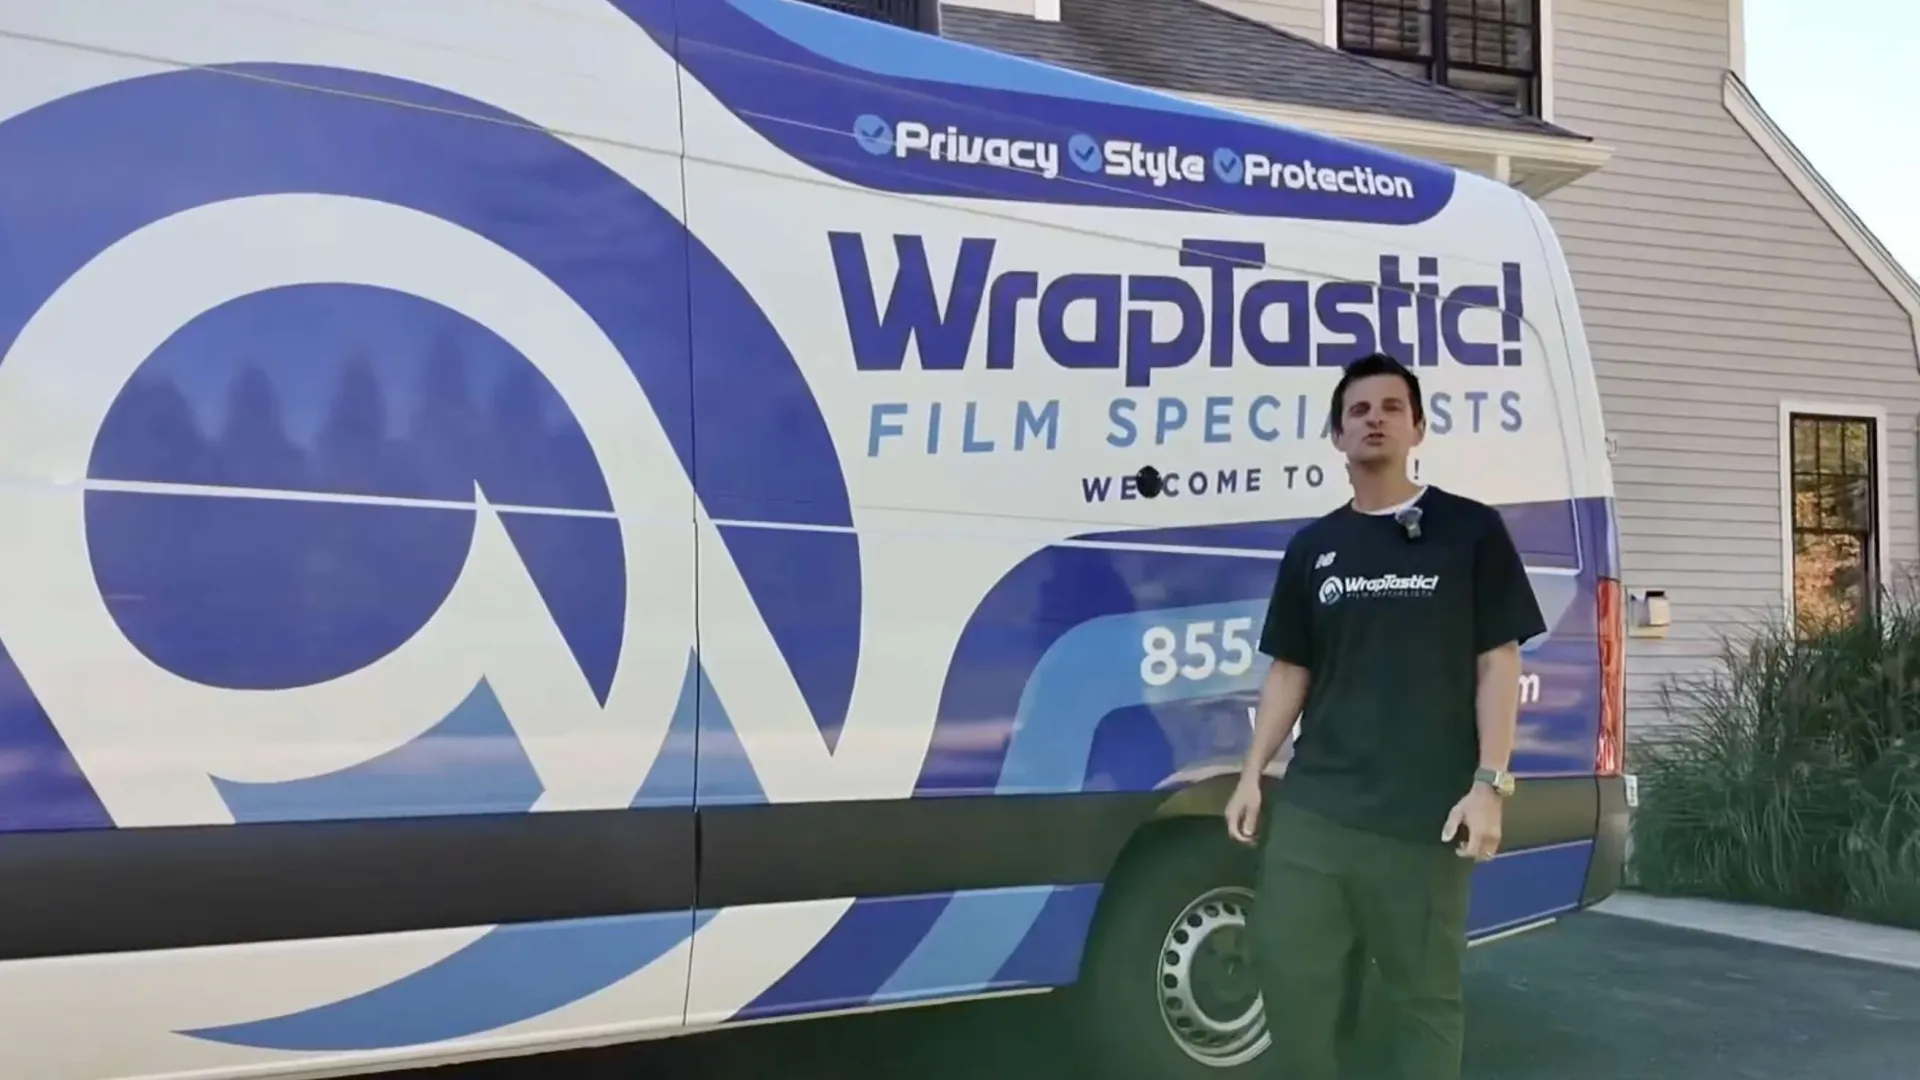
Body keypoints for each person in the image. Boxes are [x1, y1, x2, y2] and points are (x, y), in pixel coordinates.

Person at [1223, 352, 1546, 1080]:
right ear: (1337, 436)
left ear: (1418, 428)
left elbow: (1498, 662)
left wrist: (1488, 783)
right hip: (1317, 810)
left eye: (1391, 407)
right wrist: (1252, 775)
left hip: (1424, 817)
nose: (1375, 419)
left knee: (1421, 1000)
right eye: (1359, 410)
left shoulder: (1469, 531)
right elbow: (1290, 670)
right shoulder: (1315, 548)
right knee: (1292, 981)